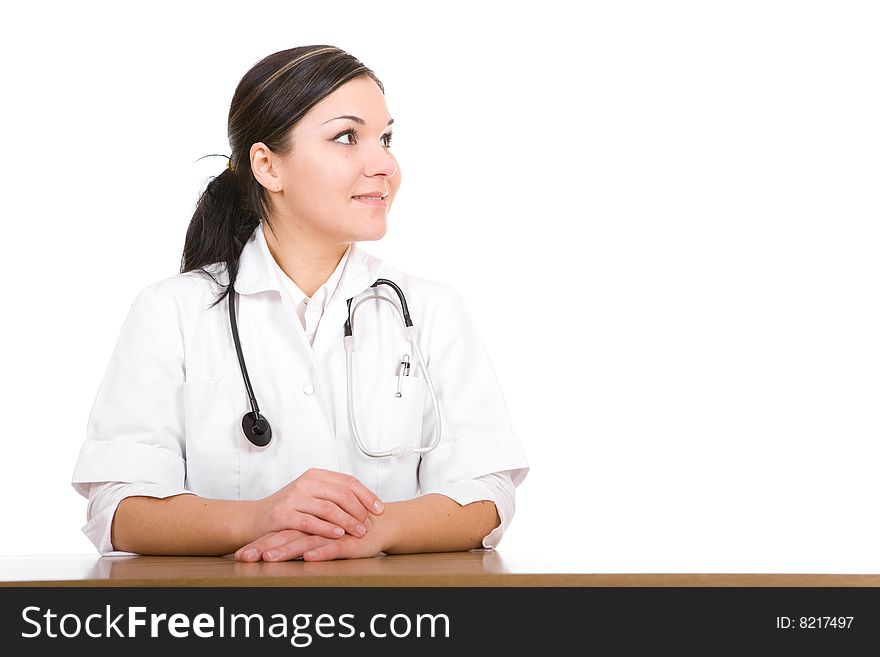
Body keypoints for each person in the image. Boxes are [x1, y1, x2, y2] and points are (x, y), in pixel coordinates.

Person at [71, 45, 529, 562]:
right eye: (346, 137)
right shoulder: (171, 312)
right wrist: (258, 517)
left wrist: (374, 531)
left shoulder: (430, 309)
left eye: (385, 138)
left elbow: (487, 492)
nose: (383, 164)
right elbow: (118, 508)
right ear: (267, 166)